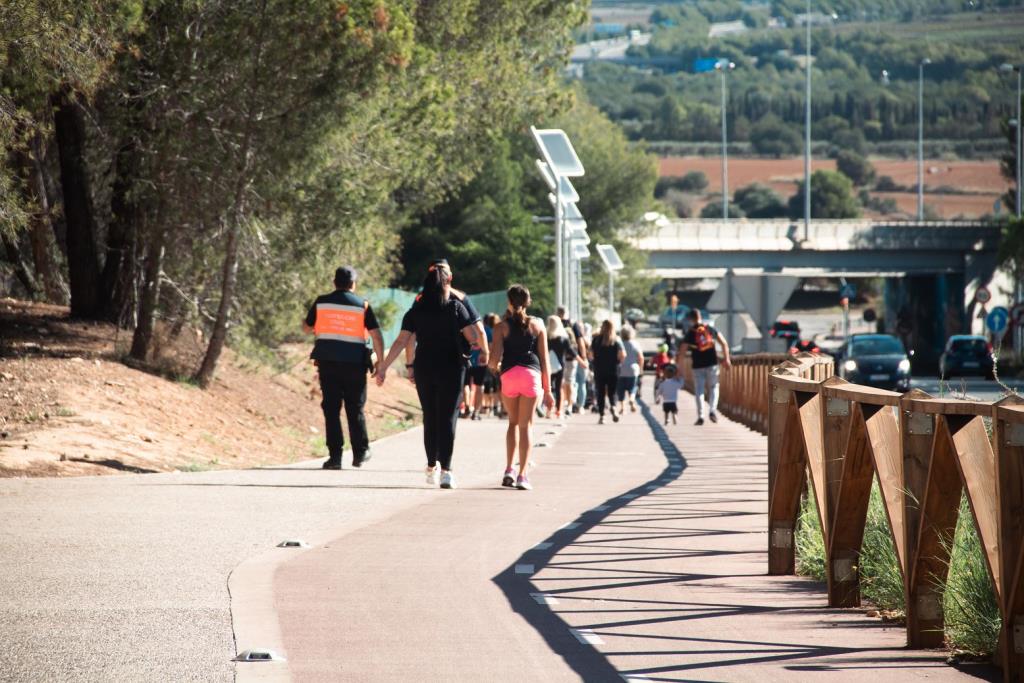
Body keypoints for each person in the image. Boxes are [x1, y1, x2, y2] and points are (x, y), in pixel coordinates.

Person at [375, 267, 479, 489]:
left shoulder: (416, 311)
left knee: (430, 416)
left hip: (425, 368)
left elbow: (402, 341)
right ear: (447, 283)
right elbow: (473, 337)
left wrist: (383, 367)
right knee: (448, 418)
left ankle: (432, 465)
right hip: (451, 367)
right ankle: (447, 471)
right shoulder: (456, 307)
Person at [302, 266, 384, 469]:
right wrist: (380, 362)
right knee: (354, 408)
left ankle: (335, 457)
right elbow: (376, 334)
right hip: (355, 365)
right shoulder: (362, 305)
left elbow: (306, 328)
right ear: (353, 284)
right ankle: (360, 453)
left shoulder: (321, 302)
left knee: (331, 409)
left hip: (328, 363)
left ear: (334, 282)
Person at [489, 285, 554, 490]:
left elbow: (493, 360)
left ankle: (509, 469)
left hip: (509, 375)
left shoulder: (501, 327)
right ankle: (523, 475)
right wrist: (549, 390)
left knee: (512, 423)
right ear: (528, 302)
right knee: (526, 425)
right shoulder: (538, 326)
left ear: (509, 302)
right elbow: (545, 360)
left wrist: (497, 367)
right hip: (531, 376)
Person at [680, 308, 731, 426]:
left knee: (699, 390)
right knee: (713, 387)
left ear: (691, 319)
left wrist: (680, 368)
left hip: (697, 365)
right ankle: (712, 410)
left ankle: (701, 415)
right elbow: (724, 343)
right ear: (700, 317)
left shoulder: (691, 332)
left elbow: (682, 352)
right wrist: (726, 359)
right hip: (712, 363)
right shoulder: (710, 329)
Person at [589, 320, 625, 424]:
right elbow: (623, 354)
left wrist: (594, 361)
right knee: (612, 391)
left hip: (599, 369)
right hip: (613, 369)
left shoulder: (596, 340)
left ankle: (602, 416)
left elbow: (590, 354)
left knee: (600, 392)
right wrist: (618, 362)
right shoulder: (616, 340)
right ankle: (613, 407)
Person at [557, 306, 588, 414]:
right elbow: (580, 341)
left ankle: (565, 403)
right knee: (575, 381)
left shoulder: (556, 324)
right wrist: (583, 357)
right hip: (572, 356)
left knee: (563, 381)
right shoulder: (573, 324)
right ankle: (576, 405)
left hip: (558, 357)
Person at [545, 316, 570, 419]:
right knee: (559, 388)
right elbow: (570, 351)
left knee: (548, 389)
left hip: (548, 366)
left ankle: (548, 411)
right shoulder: (563, 338)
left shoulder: (546, 337)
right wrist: (581, 360)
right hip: (560, 366)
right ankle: (558, 411)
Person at [616, 326, 644, 414]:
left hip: (621, 369)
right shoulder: (635, 344)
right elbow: (641, 357)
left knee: (621, 389)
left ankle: (622, 408)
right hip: (633, 369)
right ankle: (632, 399)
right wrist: (641, 369)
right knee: (633, 387)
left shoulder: (619, 343)